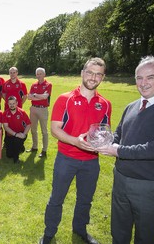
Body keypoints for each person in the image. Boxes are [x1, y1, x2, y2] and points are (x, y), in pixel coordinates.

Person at [96, 56, 154, 244]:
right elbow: (118, 136)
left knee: (145, 237)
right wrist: (101, 141)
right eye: (139, 78)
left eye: (150, 77)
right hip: (121, 180)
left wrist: (118, 151)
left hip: (149, 185)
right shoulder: (131, 106)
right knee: (118, 233)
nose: (143, 83)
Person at [39, 58, 111, 244]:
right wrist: (76, 142)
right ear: (82, 73)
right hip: (66, 159)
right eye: (90, 72)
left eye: (98, 74)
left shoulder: (105, 104)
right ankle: (49, 234)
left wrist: (103, 142)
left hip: (91, 162)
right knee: (57, 198)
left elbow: (103, 131)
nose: (93, 77)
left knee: (85, 200)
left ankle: (80, 230)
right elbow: (55, 129)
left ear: (102, 77)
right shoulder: (65, 98)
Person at [26, 67, 52, 158]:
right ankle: (34, 147)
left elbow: (45, 97)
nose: (39, 75)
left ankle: (44, 150)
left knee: (44, 131)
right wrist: (38, 96)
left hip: (43, 109)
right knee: (33, 129)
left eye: (41, 73)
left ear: (44, 74)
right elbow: (29, 97)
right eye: (37, 74)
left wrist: (35, 95)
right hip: (33, 108)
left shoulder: (48, 84)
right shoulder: (33, 85)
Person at [2, 96, 31, 163]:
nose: (12, 105)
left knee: (17, 142)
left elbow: (28, 124)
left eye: (13, 103)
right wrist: (15, 134)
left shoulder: (22, 112)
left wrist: (24, 134)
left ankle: (16, 158)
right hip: (11, 134)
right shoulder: (5, 113)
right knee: (9, 155)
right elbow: (6, 127)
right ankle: (21, 147)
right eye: (10, 104)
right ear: (7, 104)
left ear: (17, 103)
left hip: (21, 133)